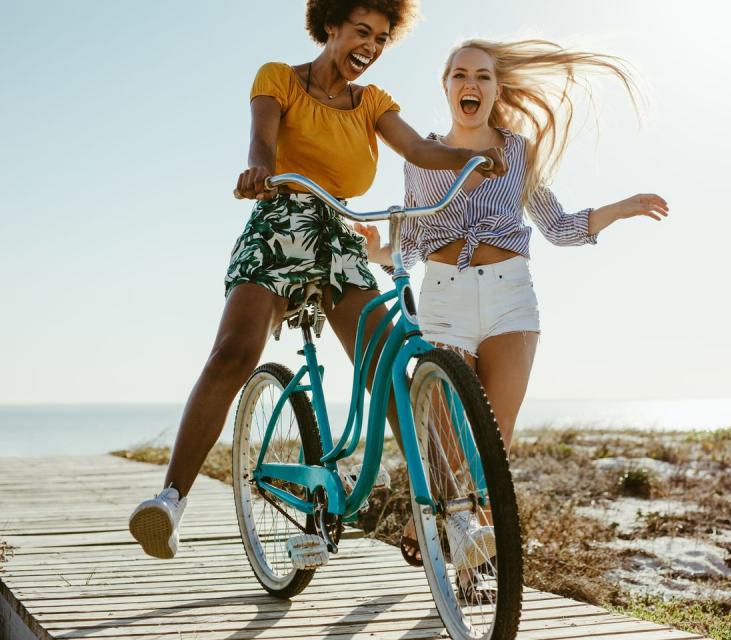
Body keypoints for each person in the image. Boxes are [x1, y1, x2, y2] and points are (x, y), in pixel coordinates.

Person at [127, 0, 506, 560]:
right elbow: (261, 140)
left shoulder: (372, 102)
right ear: (330, 25)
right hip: (280, 221)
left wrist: (464, 158)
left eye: (380, 38)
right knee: (234, 352)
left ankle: (455, 518)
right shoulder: (279, 78)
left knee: (388, 367)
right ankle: (170, 501)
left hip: (338, 233)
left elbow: (420, 149)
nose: (370, 47)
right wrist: (259, 169)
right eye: (361, 31)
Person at [356, 39, 669, 569]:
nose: (469, 83)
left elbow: (559, 227)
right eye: (459, 75)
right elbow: (409, 243)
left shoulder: (519, 151)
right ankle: (449, 532)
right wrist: (378, 252)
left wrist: (621, 208)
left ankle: (460, 548)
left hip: (510, 297)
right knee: (447, 437)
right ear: (446, 86)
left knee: (491, 450)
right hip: (444, 297)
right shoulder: (422, 157)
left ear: (497, 88)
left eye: (481, 75)